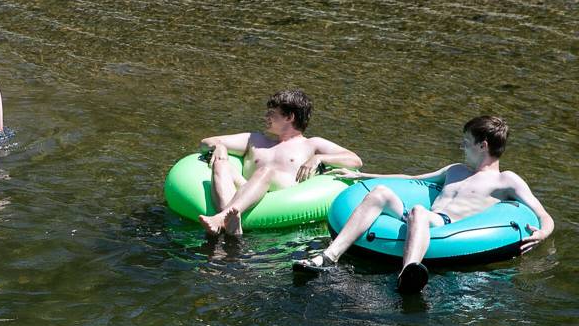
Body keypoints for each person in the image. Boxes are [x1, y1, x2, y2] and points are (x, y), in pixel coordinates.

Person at [292, 116, 554, 293]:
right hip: (423, 218)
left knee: (419, 211)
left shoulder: (505, 180)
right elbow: (411, 179)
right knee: (381, 193)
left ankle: (408, 272)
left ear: (483, 145)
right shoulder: (455, 170)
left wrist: (542, 233)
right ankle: (328, 257)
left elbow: (542, 213)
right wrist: (362, 176)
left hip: (446, 226)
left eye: (466, 143)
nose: (462, 148)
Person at [197, 90, 362, 237]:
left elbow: (355, 160)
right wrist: (220, 147)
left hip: (280, 197)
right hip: (245, 189)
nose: (266, 117)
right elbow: (206, 142)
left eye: (272, 113)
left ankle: (221, 218)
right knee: (220, 163)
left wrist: (320, 158)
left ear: (289, 117)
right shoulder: (254, 139)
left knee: (266, 171)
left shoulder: (311, 144)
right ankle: (230, 221)